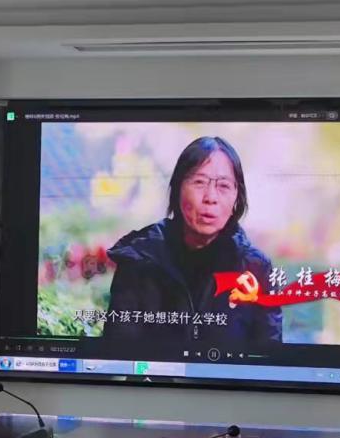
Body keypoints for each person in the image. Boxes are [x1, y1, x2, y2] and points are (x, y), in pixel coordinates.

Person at [105, 136, 281, 347]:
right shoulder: (139, 259)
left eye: (223, 186)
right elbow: (117, 351)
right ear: (178, 188)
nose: (210, 197)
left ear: (237, 197)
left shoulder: (255, 269)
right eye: (199, 182)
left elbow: (269, 356)